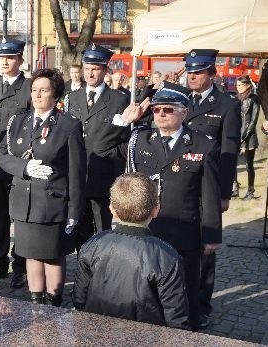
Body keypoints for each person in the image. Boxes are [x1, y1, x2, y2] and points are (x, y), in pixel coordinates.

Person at [109, 81, 222, 331]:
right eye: (157, 109)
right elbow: (104, 147)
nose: (160, 114)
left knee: (185, 291)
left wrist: (212, 235)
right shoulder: (139, 139)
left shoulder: (203, 144)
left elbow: (210, 195)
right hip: (147, 232)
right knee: (147, 290)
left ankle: (186, 332)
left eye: (168, 109)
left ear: (185, 112)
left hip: (184, 233)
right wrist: (124, 121)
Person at [0, 68, 86, 306]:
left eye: (43, 90)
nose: (37, 95)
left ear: (56, 95)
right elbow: (2, 156)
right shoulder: (18, 121)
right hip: (24, 203)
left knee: (53, 256)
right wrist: (23, 167)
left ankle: (54, 301)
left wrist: (74, 212)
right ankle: (36, 303)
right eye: (34, 90)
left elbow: (77, 172)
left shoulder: (68, 125)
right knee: (31, 255)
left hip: (52, 204)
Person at [73, 172, 189, 329]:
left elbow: (79, 299)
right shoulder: (166, 256)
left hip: (97, 332)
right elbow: (176, 318)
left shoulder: (92, 245)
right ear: (156, 210)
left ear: (111, 209)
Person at [183, 49, 241, 329]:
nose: (192, 76)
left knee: (205, 247)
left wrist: (224, 193)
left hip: (208, 185)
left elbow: (230, 151)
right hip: (182, 184)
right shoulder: (182, 101)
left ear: (212, 73)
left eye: (198, 71)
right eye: (189, 71)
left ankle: (202, 304)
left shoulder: (227, 105)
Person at [64, 44, 129, 251]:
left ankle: (103, 275)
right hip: (77, 178)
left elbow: (127, 142)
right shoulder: (72, 98)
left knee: (104, 232)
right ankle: (84, 272)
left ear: (105, 70)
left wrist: (108, 154)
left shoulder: (119, 99)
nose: (90, 73)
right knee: (79, 233)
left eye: (95, 68)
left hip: (104, 175)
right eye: (86, 68)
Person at [0, 38, 30, 287]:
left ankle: (20, 265)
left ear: (20, 59)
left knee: (20, 217)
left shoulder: (29, 87)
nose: (5, 62)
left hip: (18, 163)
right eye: (2, 57)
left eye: (10, 57)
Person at [232, 75, 259, 200]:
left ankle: (250, 191)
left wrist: (244, 136)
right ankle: (235, 188)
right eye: (237, 85)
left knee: (249, 165)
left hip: (249, 137)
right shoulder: (236, 99)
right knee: (233, 163)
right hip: (236, 135)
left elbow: (253, 120)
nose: (238, 88)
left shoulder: (254, 99)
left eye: (241, 85)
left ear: (248, 85)